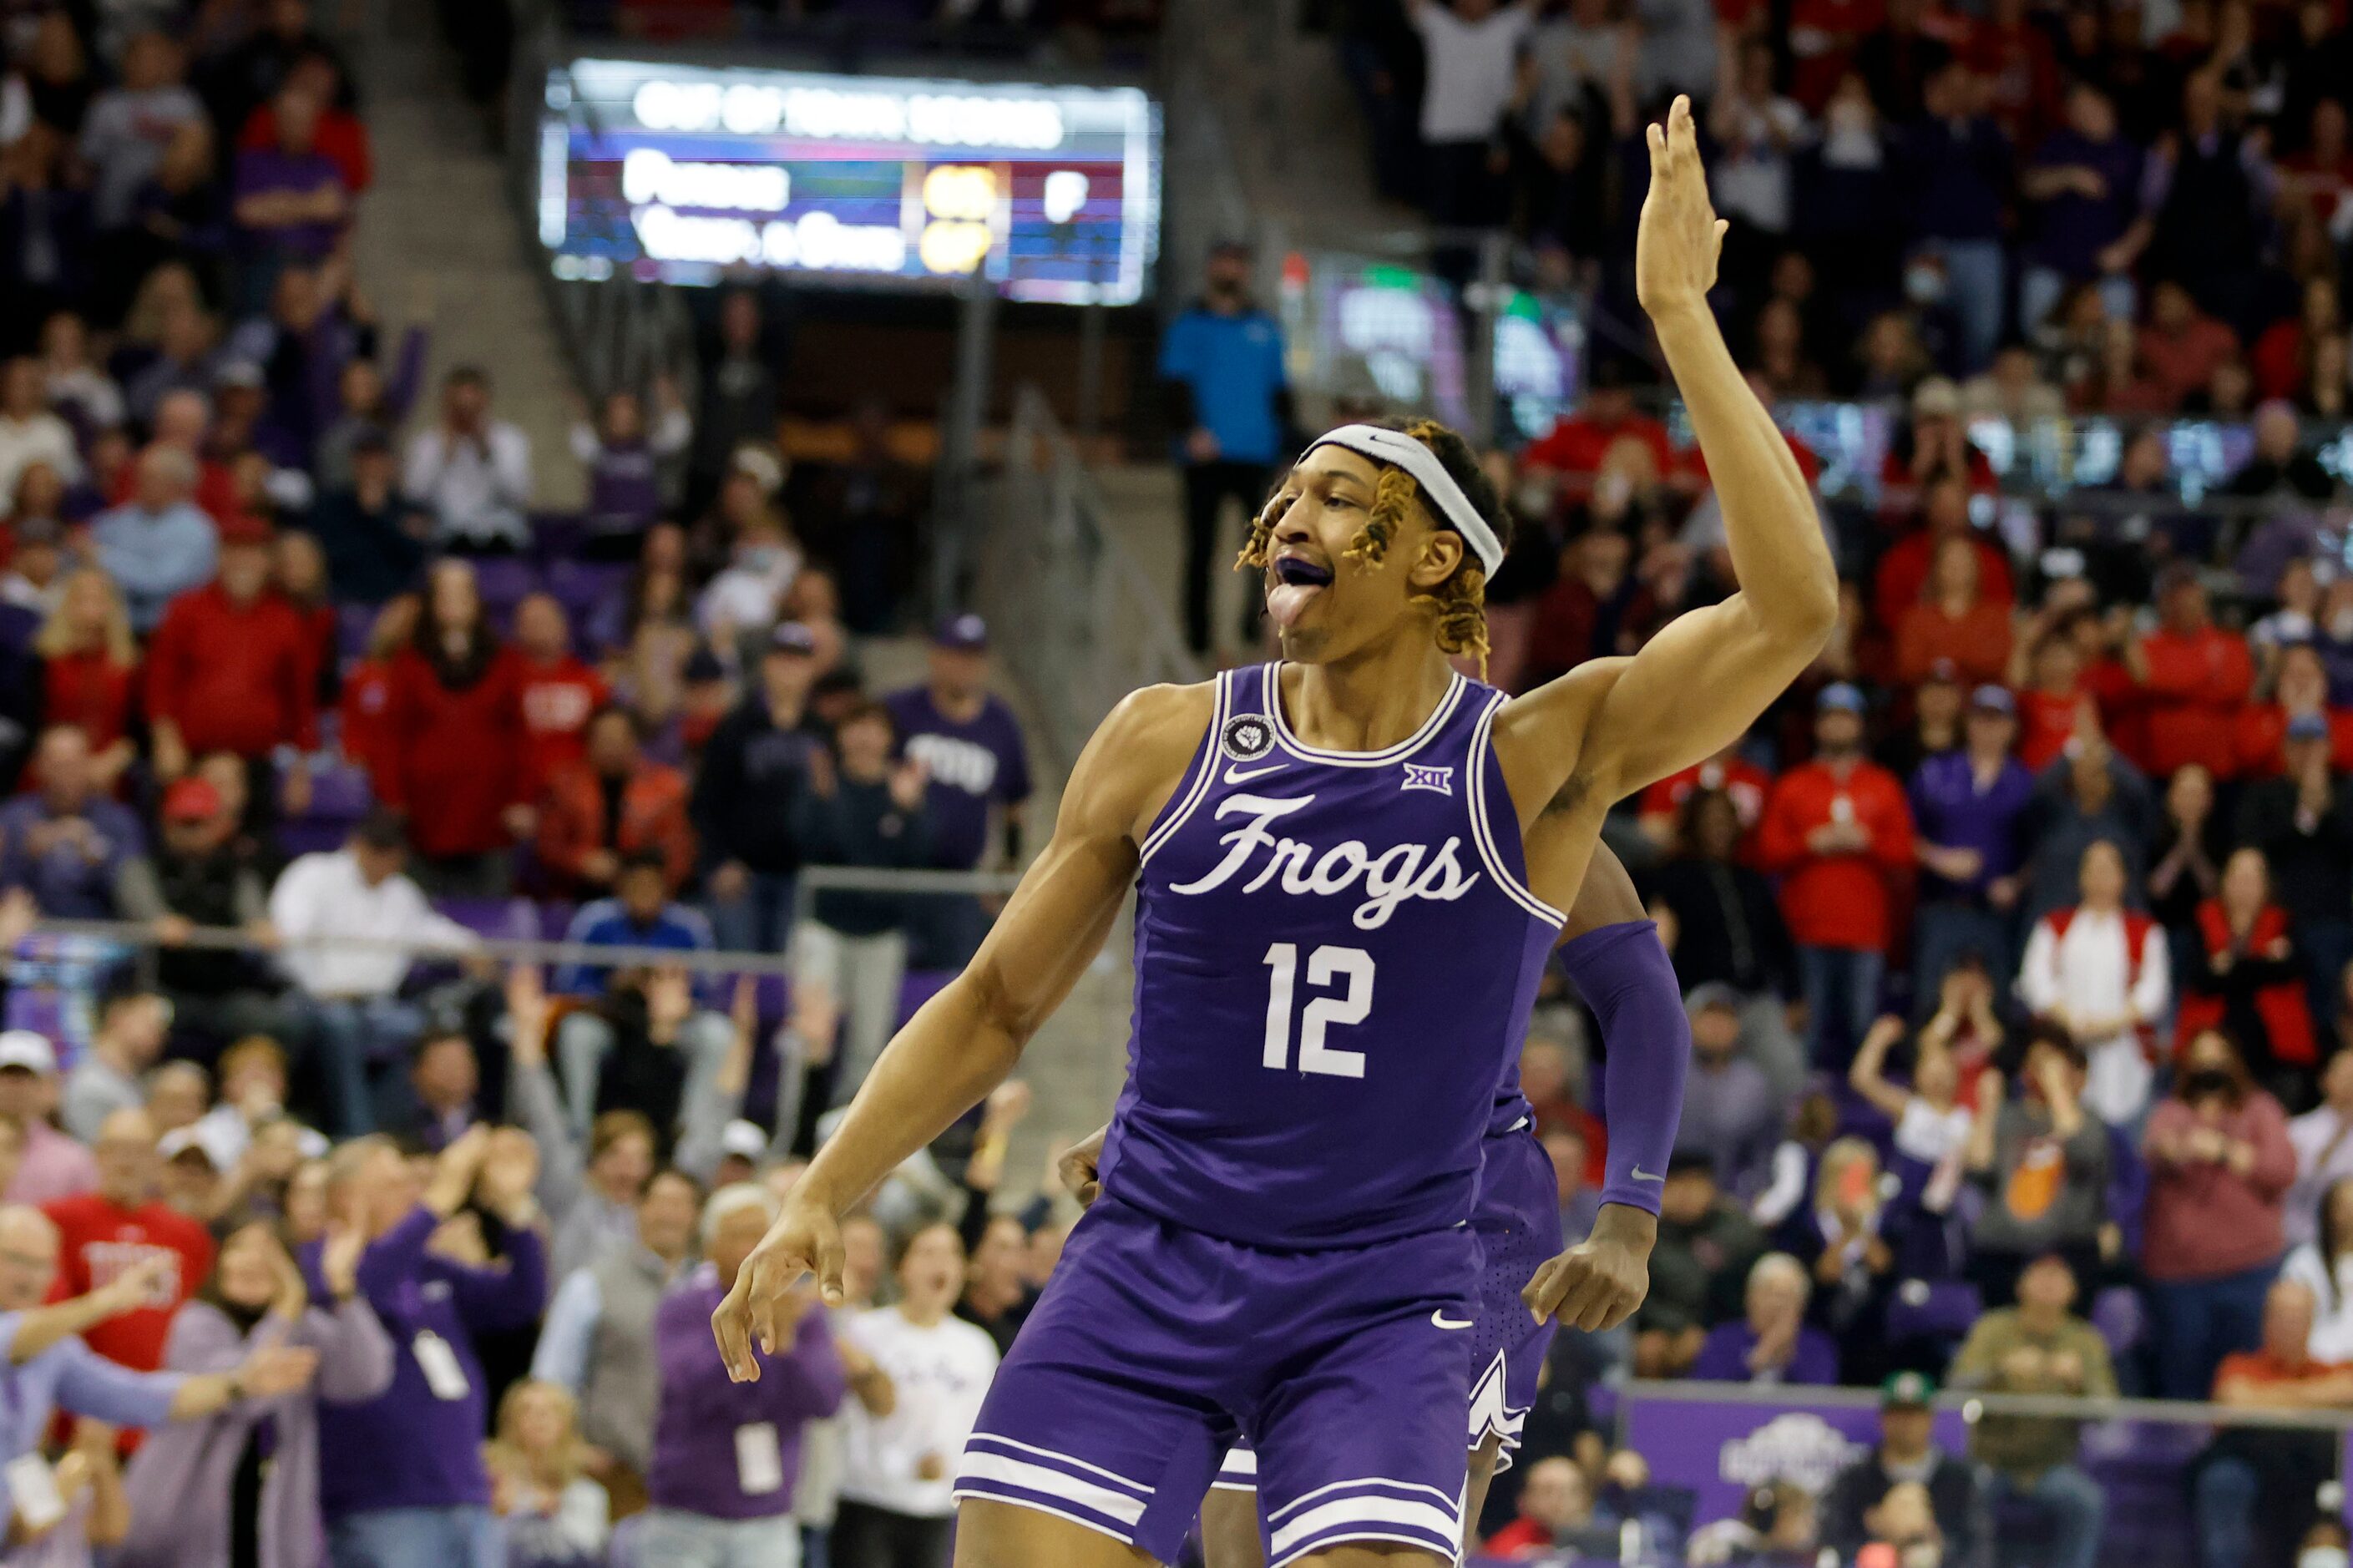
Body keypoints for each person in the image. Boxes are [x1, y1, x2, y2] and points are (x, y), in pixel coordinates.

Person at [716, 101, 1838, 1568]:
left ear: (1437, 556)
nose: (1290, 510)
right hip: (1147, 1263)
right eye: (1288, 487)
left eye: (1340, 494)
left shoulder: (1528, 756)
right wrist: (820, 1190)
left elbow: (1789, 611)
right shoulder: (1165, 736)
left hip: (1386, 1288)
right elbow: (995, 1001)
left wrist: (1680, 319)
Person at [1072, 841, 1690, 1566]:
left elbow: (1637, 987)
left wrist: (1628, 1219)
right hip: (1268, 1196)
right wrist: (1159, 1119)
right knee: (1240, 1548)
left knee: (1388, 1550)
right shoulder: (1270, 777)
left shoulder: (1518, 774)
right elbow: (1263, 989)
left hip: (1460, 1209)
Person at [311, 1126, 548, 1568]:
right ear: (346, 1197)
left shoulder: (427, 1267)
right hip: (383, 1500)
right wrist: (438, 1200)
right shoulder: (321, 1263)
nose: (414, 1193)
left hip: (463, 1488)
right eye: (395, 1183)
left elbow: (521, 1300)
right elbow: (363, 1288)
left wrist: (514, 1210)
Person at [113, 1217, 396, 1568]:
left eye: (267, 1253)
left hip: (272, 1533)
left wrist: (343, 1287)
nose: (251, 1261)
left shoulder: (301, 1327)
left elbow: (364, 1378)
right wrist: (286, 1310)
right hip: (181, 1535)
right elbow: (247, 1395)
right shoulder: (197, 1324)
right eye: (240, 1249)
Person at [0, 1204, 317, 1470]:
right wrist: (107, 1300)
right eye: (17, 1260)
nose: (31, 1276)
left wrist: (238, 1384)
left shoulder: (55, 1350)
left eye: (43, 1265)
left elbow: (138, 1396)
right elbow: (14, 1340)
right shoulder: (31, 1337)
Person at [645, 1183, 848, 1568]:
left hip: (768, 1517)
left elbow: (825, 1400)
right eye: (740, 1235)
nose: (755, 1247)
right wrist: (755, 1331)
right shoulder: (683, 1309)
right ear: (710, 1248)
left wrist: (785, 1341)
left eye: (764, 1234)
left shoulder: (802, 1313)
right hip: (685, 1514)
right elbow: (695, 1388)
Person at [267, 810, 479, 1136]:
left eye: (392, 857)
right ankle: (357, 1134)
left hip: (377, 1006)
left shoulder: (401, 892)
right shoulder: (313, 875)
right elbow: (286, 940)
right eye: (377, 853)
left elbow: (429, 930)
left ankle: (394, 1130)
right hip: (311, 999)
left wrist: (472, 948)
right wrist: (322, 987)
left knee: (420, 1028)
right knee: (341, 1026)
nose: (383, 865)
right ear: (357, 845)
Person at [1757, 683, 1916, 1068]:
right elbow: (1766, 852)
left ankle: (1867, 1106)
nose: (1839, 725)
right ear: (1818, 725)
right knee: (1807, 1031)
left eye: (1847, 717)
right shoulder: (1794, 784)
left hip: (1865, 930)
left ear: (1861, 725)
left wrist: (1867, 841)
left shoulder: (1882, 784)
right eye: (1831, 716)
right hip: (1806, 928)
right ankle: (1803, 1114)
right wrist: (1811, 843)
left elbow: (1905, 853)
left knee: (1863, 1026)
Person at [529, 1166, 702, 1518]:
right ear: (639, 1208)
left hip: (691, 1480)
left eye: (680, 1204)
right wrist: (574, 1451)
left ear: (696, 1216)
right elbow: (550, 1383)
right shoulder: (591, 1284)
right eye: (659, 1202)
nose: (669, 1214)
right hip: (610, 1473)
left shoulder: (708, 1289)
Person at [792, 701, 934, 1110]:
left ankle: (846, 1127)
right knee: (810, 1036)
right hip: (824, 925)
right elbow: (807, 844)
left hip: (881, 932)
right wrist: (823, 802)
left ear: (890, 738)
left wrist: (909, 811)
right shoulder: (824, 785)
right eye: (855, 725)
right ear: (840, 735)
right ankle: (798, 1128)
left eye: (875, 728)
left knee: (869, 1045)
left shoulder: (902, 790)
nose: (865, 737)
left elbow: (920, 856)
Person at [2143, 1028, 2296, 1400]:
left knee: (2248, 1379)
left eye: (2218, 1059)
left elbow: (2281, 1170)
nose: (2210, 1069)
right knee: (2184, 1381)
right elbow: (2155, 1151)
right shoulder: (2171, 1111)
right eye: (2201, 1059)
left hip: (2250, 1270)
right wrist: (2180, 1147)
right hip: (2180, 1277)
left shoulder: (2259, 1109)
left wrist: (2225, 1150)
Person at [1157, 240, 1293, 655]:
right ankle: (1197, 639)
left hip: (1256, 456)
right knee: (1200, 549)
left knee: (1263, 549)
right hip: (1205, 457)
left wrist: (1286, 450)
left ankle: (1254, 630)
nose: (1231, 271)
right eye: (1224, 262)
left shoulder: (1266, 329)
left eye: (1239, 263)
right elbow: (1173, 387)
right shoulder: (1189, 326)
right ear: (1211, 267)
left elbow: (1280, 394)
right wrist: (1191, 432)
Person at [832, 1223, 996, 1568]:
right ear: (901, 1267)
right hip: (870, 1503)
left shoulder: (977, 1346)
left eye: (952, 1253)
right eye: (927, 1252)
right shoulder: (865, 1331)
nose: (941, 1264)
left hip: (938, 1512)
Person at [884, 615, 1034, 968]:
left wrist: (1005, 872)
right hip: (894, 873)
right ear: (936, 657)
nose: (964, 666)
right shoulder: (900, 710)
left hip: (959, 882)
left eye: (973, 657)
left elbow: (1015, 805)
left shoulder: (1001, 723)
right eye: (956, 655)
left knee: (949, 989)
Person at [1946, 1252, 2113, 1568]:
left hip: (2052, 1466)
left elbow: (2107, 1412)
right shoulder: (1993, 1328)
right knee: (1966, 1492)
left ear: (2074, 1290)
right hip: (1991, 1461)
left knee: (2088, 1502)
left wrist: (2081, 1382)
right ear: (2020, 1285)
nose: (2049, 1283)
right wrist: (1998, 1370)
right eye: (2041, 1275)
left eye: (2058, 1277)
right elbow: (1956, 1389)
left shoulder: (2085, 1340)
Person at [41, 1109, 216, 1390]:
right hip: (75, 1402)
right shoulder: (57, 1221)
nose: (127, 1161)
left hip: (160, 1405)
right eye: (116, 1148)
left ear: (158, 1162)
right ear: (98, 1155)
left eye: (140, 1150)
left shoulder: (189, 1235)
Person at [2199, 1277, 2353, 1568]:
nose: (2289, 1325)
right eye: (2281, 1316)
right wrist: (2313, 1401)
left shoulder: (2333, 1369)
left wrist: (2269, 1400)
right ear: (2266, 1320)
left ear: (2311, 1322)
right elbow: (2233, 1401)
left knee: (2327, 1515)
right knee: (2223, 1481)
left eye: (2297, 1317)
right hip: (2247, 1466)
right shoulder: (2238, 1365)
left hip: (2310, 1476)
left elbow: (2348, 1389)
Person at [2017, 838, 2172, 1127]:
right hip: (2065, 1045)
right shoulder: (2053, 926)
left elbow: (2154, 991)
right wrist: (2069, 1019)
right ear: (2081, 877)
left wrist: (2112, 1023)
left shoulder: (2146, 932)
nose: (2100, 878)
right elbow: (2035, 980)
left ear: (2123, 878)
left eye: (2108, 870)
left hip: (2123, 1049)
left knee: (2119, 1125)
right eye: (2093, 869)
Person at [693, 621, 824, 955]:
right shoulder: (736, 727)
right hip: (741, 876)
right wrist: (719, 861)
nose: (790, 670)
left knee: (792, 978)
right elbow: (705, 802)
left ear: (812, 669)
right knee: (740, 973)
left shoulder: (824, 733)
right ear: (766, 664)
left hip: (800, 877)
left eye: (799, 660)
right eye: (783, 659)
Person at [1908, 684, 2034, 1009]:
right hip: (1942, 905)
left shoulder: (2025, 783)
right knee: (1931, 998)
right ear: (1968, 723)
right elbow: (1902, 834)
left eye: (1997, 720)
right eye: (1981, 719)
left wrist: (2016, 883)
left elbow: (2040, 848)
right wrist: (1938, 858)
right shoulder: (1935, 773)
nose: (1988, 728)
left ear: (2011, 727)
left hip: (1997, 913)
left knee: (1997, 1002)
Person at [1965, 1029, 2110, 1302]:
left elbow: (2086, 1154)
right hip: (2005, 1247)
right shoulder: (2006, 1116)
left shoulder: (2086, 1119)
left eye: (2053, 1063)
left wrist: (2058, 1089)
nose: (2043, 1070)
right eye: (2037, 1062)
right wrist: (1986, 1108)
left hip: (2068, 1248)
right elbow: (1979, 1169)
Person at [1818, 1371, 1991, 1566]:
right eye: (1898, 1413)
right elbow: (1831, 1544)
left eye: (1914, 1413)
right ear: (1883, 1418)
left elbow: (1979, 1552)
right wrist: (1880, 1530)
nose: (1906, 1423)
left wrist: (1935, 1541)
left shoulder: (1959, 1480)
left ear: (1929, 1418)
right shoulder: (1856, 1478)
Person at [534, 706, 694, 899]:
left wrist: (644, 883)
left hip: (648, 898)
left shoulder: (667, 789)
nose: (611, 748)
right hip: (575, 894)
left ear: (634, 741)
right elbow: (548, 845)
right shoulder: (564, 786)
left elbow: (678, 853)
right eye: (603, 740)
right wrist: (581, 861)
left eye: (618, 739)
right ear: (589, 743)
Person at [0, 726, 154, 919]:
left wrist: (95, 853)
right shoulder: (13, 818)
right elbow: (9, 888)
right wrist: (26, 856)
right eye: (59, 765)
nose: (68, 775)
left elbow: (131, 883)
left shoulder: (118, 820)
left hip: (103, 935)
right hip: (30, 934)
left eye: (75, 764)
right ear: (38, 767)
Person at [483, 1380, 611, 1568]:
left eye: (550, 1410)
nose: (539, 1418)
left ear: (567, 1422)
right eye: (527, 1410)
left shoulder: (588, 1495)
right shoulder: (492, 1483)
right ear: (511, 1421)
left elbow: (588, 1551)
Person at [402, 367, 531, 551]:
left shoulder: (509, 440)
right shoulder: (428, 443)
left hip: (500, 535)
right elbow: (414, 496)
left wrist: (487, 452)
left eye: (472, 407)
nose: (466, 415)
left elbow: (518, 496)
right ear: (447, 404)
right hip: (448, 536)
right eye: (459, 407)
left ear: (485, 402)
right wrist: (443, 453)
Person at [1689, 1251, 1841, 1383]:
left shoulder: (1817, 1346)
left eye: (1787, 1296)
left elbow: (1821, 1398)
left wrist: (1786, 1357)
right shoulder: (1722, 1339)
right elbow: (1707, 1392)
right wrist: (1761, 1355)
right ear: (1749, 1297)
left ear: (1802, 1305)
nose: (1777, 1304)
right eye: (1770, 1293)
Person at [0, 1031, 99, 1204]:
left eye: (26, 1077)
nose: (15, 1086)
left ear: (48, 1086)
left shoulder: (73, 1159)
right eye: (6, 1075)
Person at [58, 989, 168, 1143]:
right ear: (118, 1017)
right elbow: (100, 1154)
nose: (159, 1034)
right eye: (149, 1024)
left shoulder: (136, 1080)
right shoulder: (91, 1084)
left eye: (161, 1028)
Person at [2289, 1049, 2353, 1247]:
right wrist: (2332, 1146)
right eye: (2344, 1075)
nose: (2350, 1083)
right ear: (2325, 1080)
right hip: (2307, 1240)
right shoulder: (2298, 1130)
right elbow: (2292, 1189)